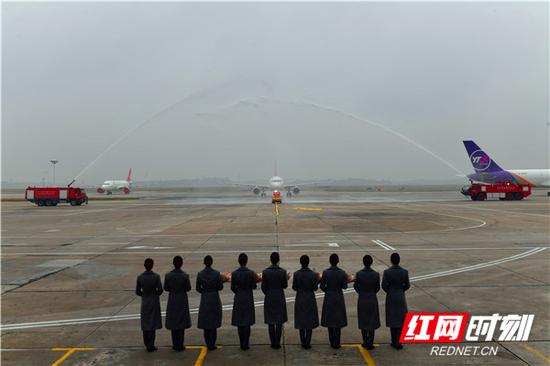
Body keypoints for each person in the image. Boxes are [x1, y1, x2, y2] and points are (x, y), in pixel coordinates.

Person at [382, 252, 410, 350]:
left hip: (391, 296)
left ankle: (394, 340)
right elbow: (407, 285)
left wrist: (390, 291)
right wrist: (400, 290)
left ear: (391, 260)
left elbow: (384, 286)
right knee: (401, 319)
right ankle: (399, 341)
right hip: (400, 296)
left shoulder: (387, 272)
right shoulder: (404, 272)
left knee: (392, 319)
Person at [164, 255, 192, 351]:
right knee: (181, 321)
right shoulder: (185, 276)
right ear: (181, 264)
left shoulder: (168, 276)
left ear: (173, 264)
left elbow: (166, 288)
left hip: (172, 298)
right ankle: (180, 343)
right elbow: (188, 288)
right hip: (182, 299)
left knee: (173, 321)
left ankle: (175, 343)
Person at [320, 253, 348, 349]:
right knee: (338, 320)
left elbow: (322, 287)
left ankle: (332, 341)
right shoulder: (342, 272)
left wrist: (328, 289)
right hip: (338, 296)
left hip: (329, 296)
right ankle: (337, 342)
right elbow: (345, 286)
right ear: (338, 261)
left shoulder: (326, 272)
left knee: (330, 319)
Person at [196, 255, 224, 350]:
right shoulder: (216, 274)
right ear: (211, 262)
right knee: (213, 321)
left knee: (206, 322)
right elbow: (220, 287)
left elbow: (198, 288)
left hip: (205, 297)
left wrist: (205, 291)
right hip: (214, 297)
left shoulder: (200, 274)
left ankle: (208, 342)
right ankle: (212, 343)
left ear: (204, 263)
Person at [136, 258, 163, 352]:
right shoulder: (156, 277)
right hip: (153, 300)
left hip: (145, 301)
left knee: (146, 322)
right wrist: (154, 294)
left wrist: (144, 294)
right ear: (152, 265)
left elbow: (137, 291)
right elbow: (160, 290)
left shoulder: (140, 277)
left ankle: (146, 342)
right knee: (152, 323)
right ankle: (151, 344)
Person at [261, 252, 288, 349]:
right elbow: (285, 285)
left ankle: (273, 342)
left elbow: (263, 287)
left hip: (269, 296)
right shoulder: (282, 271)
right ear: (278, 260)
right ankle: (277, 342)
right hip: (279, 296)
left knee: (271, 320)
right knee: (279, 321)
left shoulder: (265, 272)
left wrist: (269, 293)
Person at [292, 254, 319, 349]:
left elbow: (294, 287)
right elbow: (315, 288)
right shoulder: (312, 274)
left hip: (300, 297)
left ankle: (303, 341)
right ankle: (307, 342)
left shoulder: (296, 274)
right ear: (308, 263)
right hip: (310, 297)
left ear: (300, 263)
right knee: (309, 320)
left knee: (301, 320)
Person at [353, 255, 380, 350]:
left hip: (362, 298)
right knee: (372, 321)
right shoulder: (376, 274)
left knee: (363, 320)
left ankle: (365, 341)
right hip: (372, 298)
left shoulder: (359, 274)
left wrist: (362, 292)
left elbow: (356, 286)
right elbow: (377, 288)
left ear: (364, 262)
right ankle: (370, 342)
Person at [231, 253, 257, 350]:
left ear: (239, 261)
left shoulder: (234, 274)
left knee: (239, 321)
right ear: (246, 261)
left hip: (238, 297)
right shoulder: (251, 273)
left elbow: (233, 288)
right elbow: (254, 286)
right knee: (247, 322)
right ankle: (246, 343)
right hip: (248, 297)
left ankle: (242, 342)